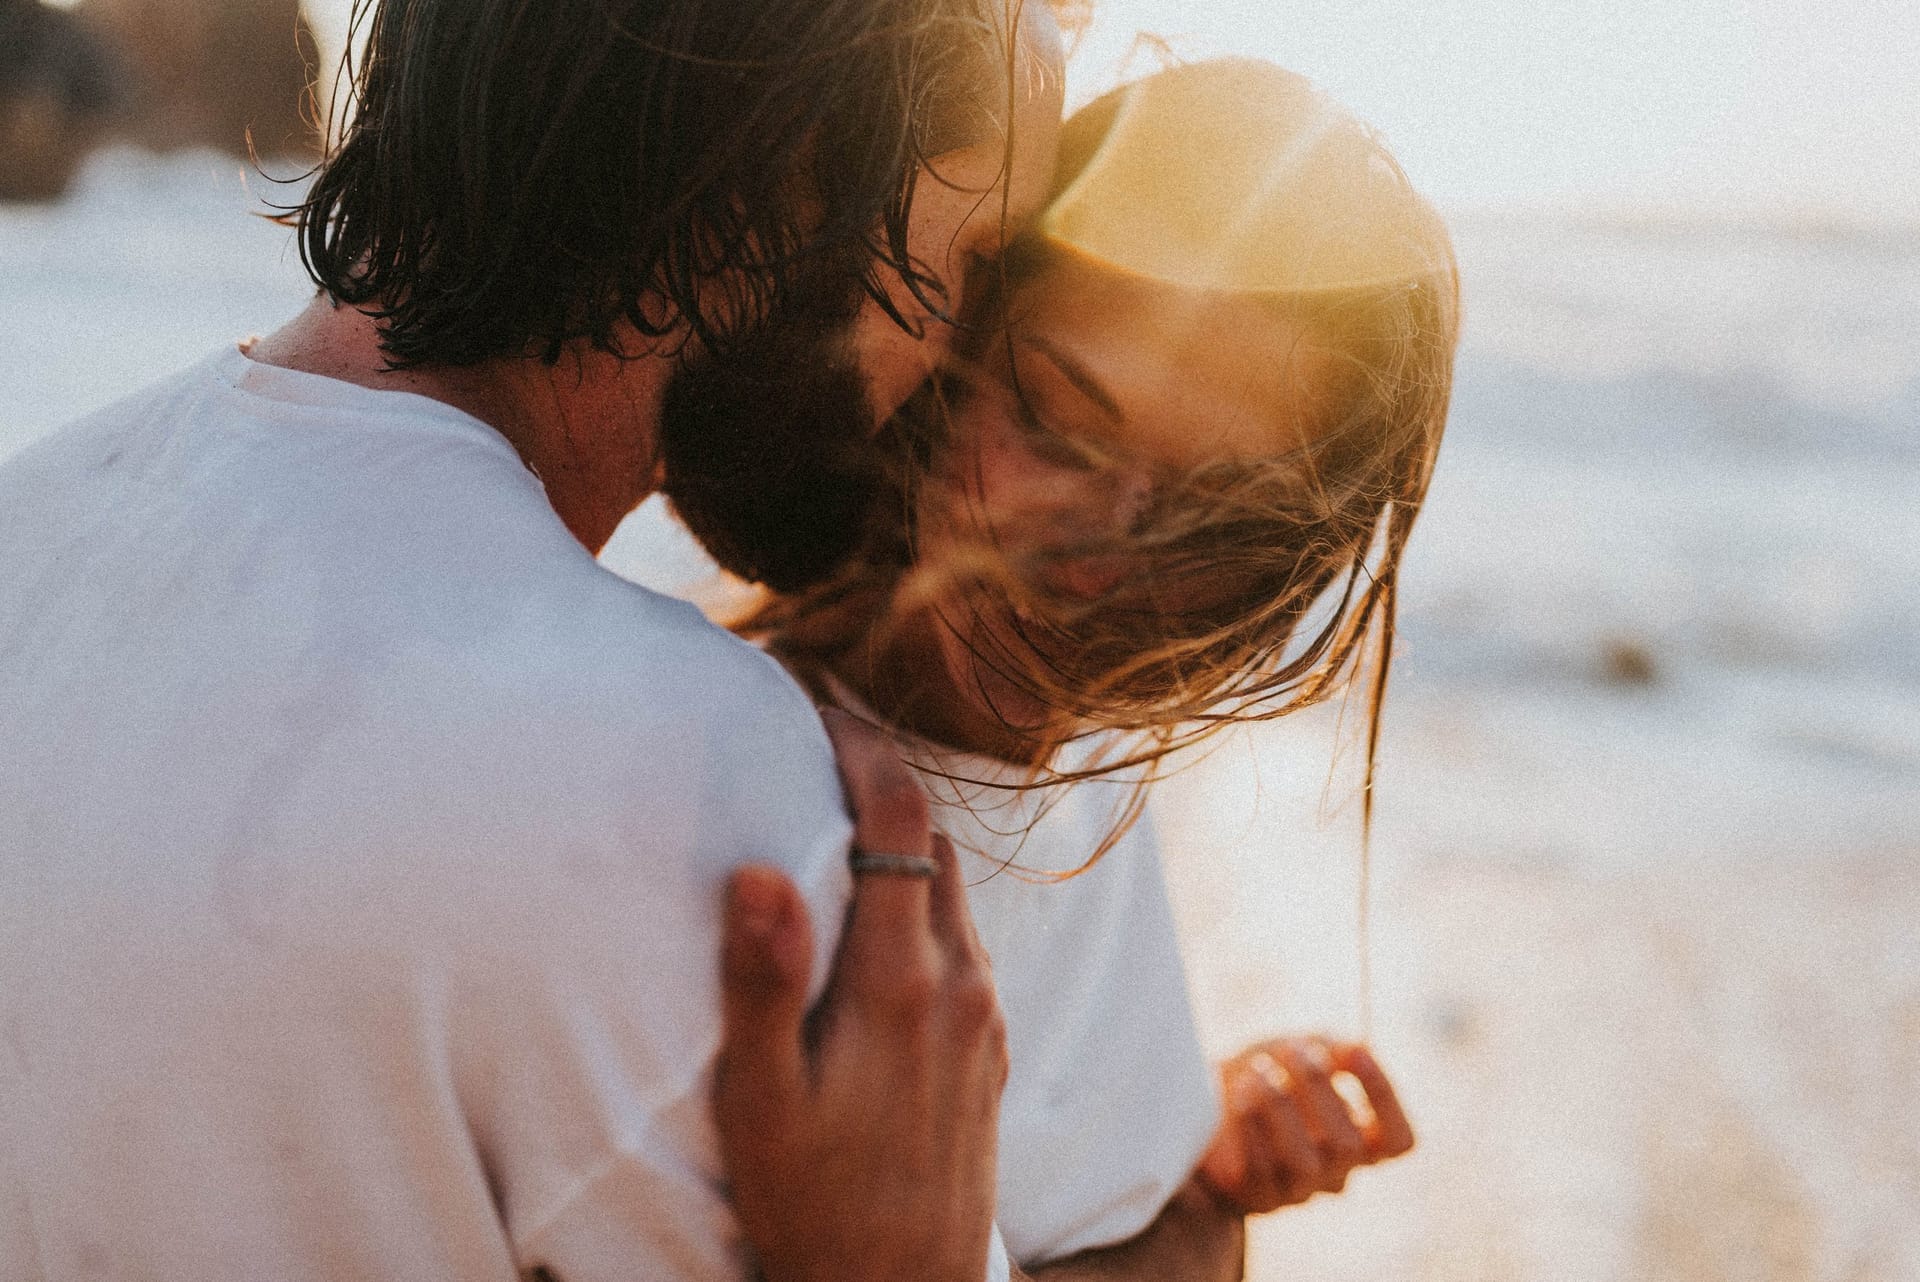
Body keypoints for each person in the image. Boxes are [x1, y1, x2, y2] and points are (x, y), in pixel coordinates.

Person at [0, 0, 1066, 1278]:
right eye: (987, 257)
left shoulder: (38, 516)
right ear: (805, 168)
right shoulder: (690, 783)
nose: (962, 355)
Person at [736, 58, 1458, 1278]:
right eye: (1061, 424)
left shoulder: (1092, 773)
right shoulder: (753, 806)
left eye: (1222, 520)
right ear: (946, 341)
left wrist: (1188, 1151)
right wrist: (1185, 1239)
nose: (1103, 560)